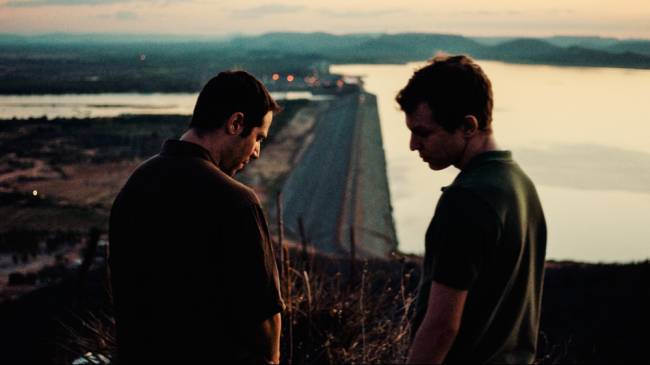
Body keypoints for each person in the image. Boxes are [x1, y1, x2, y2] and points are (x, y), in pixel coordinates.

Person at [109, 71, 284, 364]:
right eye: (258, 138)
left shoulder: (136, 185)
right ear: (236, 122)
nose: (256, 152)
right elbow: (264, 321)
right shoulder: (237, 201)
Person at [397, 55, 547, 364]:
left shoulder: (466, 200)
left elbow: (441, 328)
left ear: (468, 126)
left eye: (423, 132)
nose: (413, 145)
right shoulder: (520, 184)